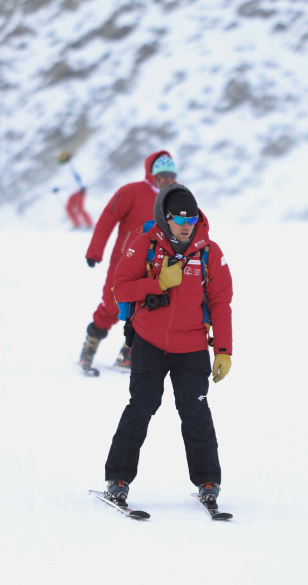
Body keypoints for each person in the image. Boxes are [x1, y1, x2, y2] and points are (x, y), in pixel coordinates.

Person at [102, 183, 233, 505]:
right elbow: (119, 290)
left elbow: (221, 303)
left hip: (191, 346)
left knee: (196, 411)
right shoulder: (143, 245)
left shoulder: (209, 251)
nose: (186, 225)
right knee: (141, 407)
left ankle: (208, 483)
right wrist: (157, 282)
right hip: (149, 342)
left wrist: (224, 350)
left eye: (191, 219)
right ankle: (117, 478)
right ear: (166, 217)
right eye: (179, 219)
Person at [78, 150, 177, 373]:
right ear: (154, 174)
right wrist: (95, 252)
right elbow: (107, 219)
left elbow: (186, 227)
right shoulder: (131, 192)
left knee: (148, 309)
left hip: (155, 266)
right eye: (165, 174)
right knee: (113, 305)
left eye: (173, 174)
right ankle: (89, 349)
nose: (170, 179)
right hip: (124, 261)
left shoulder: (175, 197)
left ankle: (128, 354)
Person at [56, 150, 93, 229]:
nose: (60, 162)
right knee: (69, 208)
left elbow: (79, 177)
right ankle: (77, 225)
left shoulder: (73, 166)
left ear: (66, 159)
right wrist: (59, 188)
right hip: (72, 192)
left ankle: (89, 225)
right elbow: (68, 182)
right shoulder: (66, 168)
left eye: (61, 160)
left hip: (79, 190)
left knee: (80, 208)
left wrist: (82, 186)